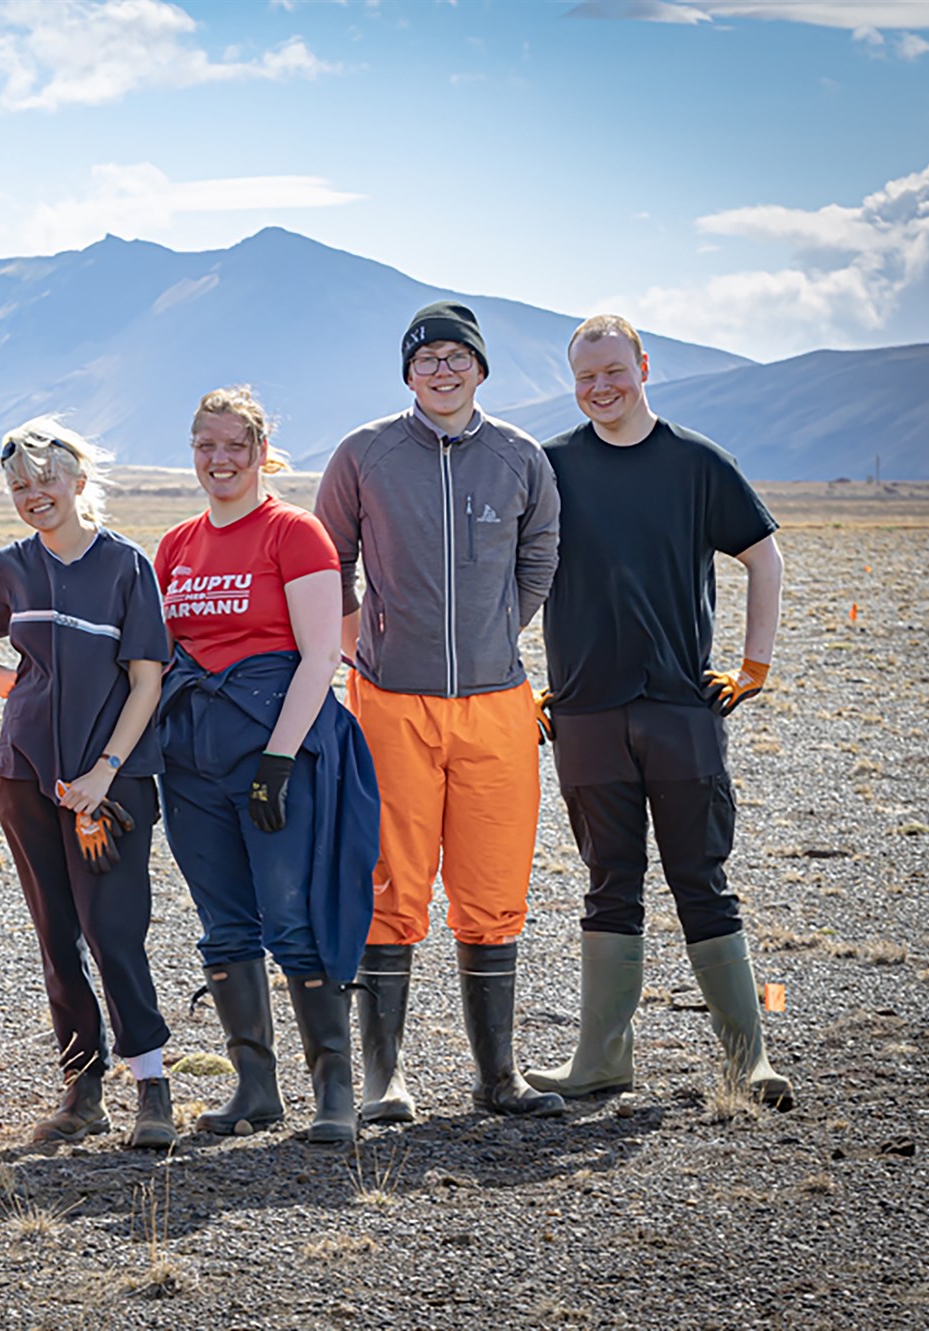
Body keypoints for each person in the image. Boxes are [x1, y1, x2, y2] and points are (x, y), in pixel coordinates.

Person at [524, 315, 793, 1111]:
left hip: (680, 706)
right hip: (582, 712)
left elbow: (763, 555)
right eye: (585, 377)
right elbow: (503, 575)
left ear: (643, 366)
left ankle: (750, 1061)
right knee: (610, 884)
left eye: (614, 371)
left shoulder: (696, 463)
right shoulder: (551, 467)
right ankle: (600, 1060)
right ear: (572, 381)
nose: (601, 388)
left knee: (702, 881)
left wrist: (753, 667)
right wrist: (518, 682)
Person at [314, 301, 566, 1123]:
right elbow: (329, 564)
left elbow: (540, 560)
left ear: (481, 368)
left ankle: (499, 1077)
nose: (443, 370)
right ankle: (384, 1079)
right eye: (427, 359)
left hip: (497, 704)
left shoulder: (520, 457)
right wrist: (365, 647)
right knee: (394, 883)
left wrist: (495, 634)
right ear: (408, 373)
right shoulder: (365, 454)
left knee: (493, 888)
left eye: (458, 356)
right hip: (390, 703)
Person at [152, 386, 380, 1145]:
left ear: (259, 451)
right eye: (205, 445)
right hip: (192, 758)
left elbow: (321, 655)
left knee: (291, 917)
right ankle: (253, 1087)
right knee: (223, 923)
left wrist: (278, 761)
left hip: (274, 749)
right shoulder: (177, 545)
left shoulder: (294, 532)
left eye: (233, 445)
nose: (219, 459)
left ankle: (334, 1089)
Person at [0, 418, 175, 1151]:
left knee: (113, 930)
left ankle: (152, 1085)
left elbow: (146, 679)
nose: (35, 496)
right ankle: (82, 1087)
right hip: (24, 779)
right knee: (55, 935)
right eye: (20, 486)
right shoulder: (8, 566)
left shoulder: (126, 565)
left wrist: (104, 772)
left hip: (110, 788)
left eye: (46, 481)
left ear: (79, 481)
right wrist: (14, 686)